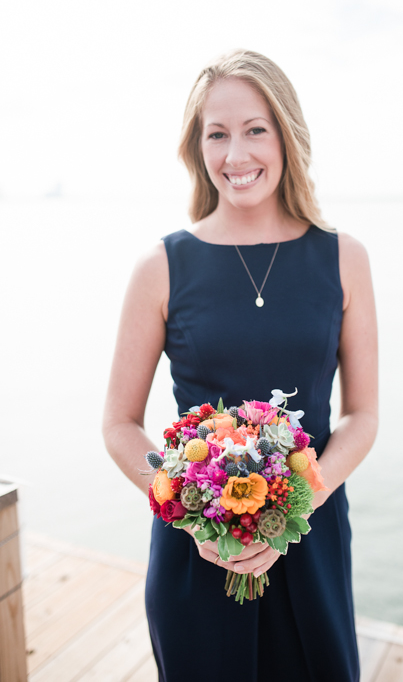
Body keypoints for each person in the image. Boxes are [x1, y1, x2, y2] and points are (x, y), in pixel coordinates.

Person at [102, 50, 378, 680]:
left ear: (286, 133)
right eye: (217, 134)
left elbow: (362, 415)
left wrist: (301, 500)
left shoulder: (344, 258)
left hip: (311, 532)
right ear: (196, 148)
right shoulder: (161, 266)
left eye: (256, 129)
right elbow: (119, 423)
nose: (237, 154)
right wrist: (190, 512)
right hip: (195, 551)